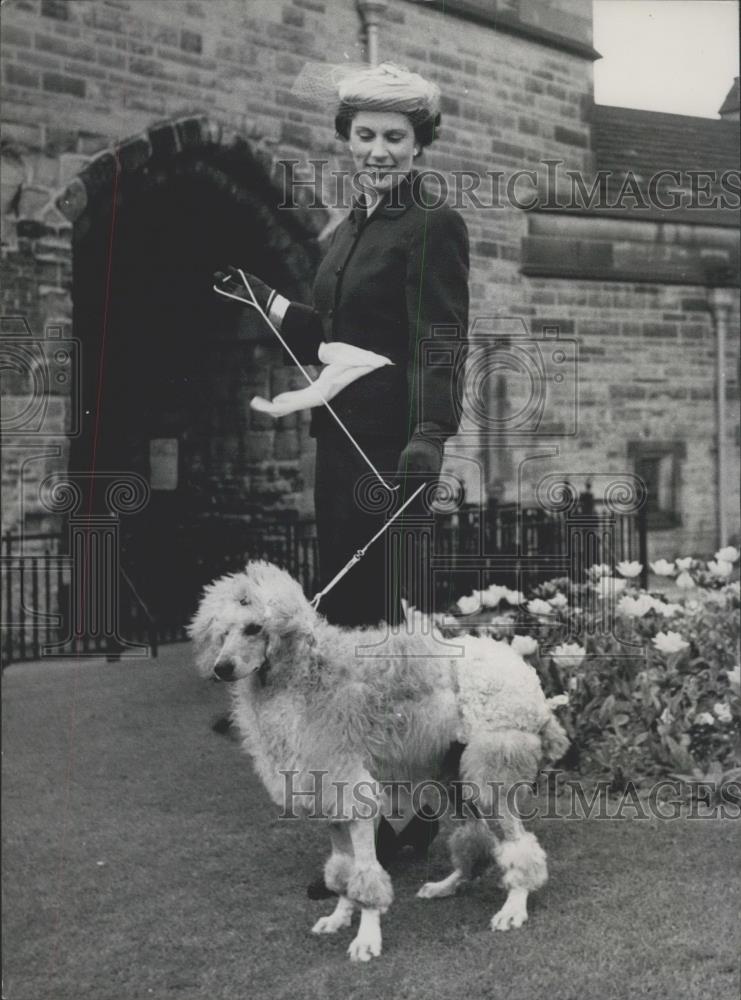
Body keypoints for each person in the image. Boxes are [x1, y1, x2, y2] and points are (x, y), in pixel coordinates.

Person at [220, 62, 469, 895]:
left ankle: (427, 808)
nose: (375, 150)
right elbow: (330, 330)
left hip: (392, 446)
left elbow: (440, 337)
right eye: (363, 135)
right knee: (346, 625)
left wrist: (429, 436)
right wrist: (267, 299)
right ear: (346, 140)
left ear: (417, 143)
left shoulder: (433, 224)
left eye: (393, 137)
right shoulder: (346, 229)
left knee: (395, 634)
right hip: (341, 445)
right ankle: (368, 814)